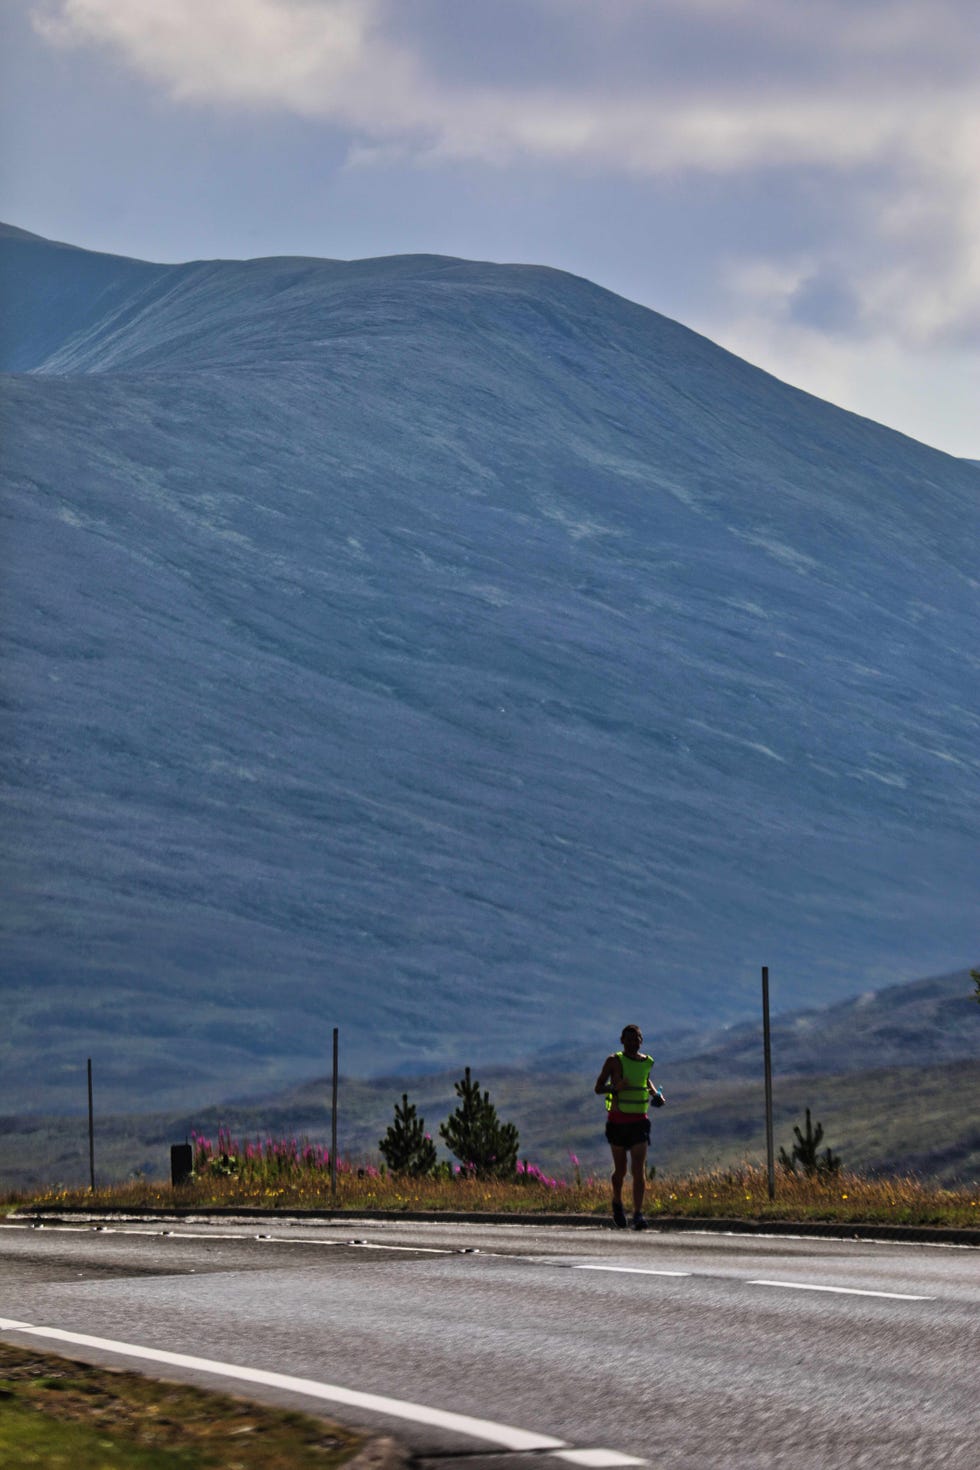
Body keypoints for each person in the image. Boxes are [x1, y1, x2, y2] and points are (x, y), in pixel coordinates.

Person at [594, 1023, 665, 1230]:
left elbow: (646, 1081)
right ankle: (617, 1202)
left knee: (638, 1170)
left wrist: (657, 1096)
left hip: (639, 1122)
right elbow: (598, 1088)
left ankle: (638, 1214)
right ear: (622, 1041)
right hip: (617, 1122)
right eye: (629, 1039)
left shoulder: (646, 1062)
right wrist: (615, 1088)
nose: (633, 1043)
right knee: (621, 1170)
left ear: (641, 1041)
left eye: (636, 1040)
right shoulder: (613, 1061)